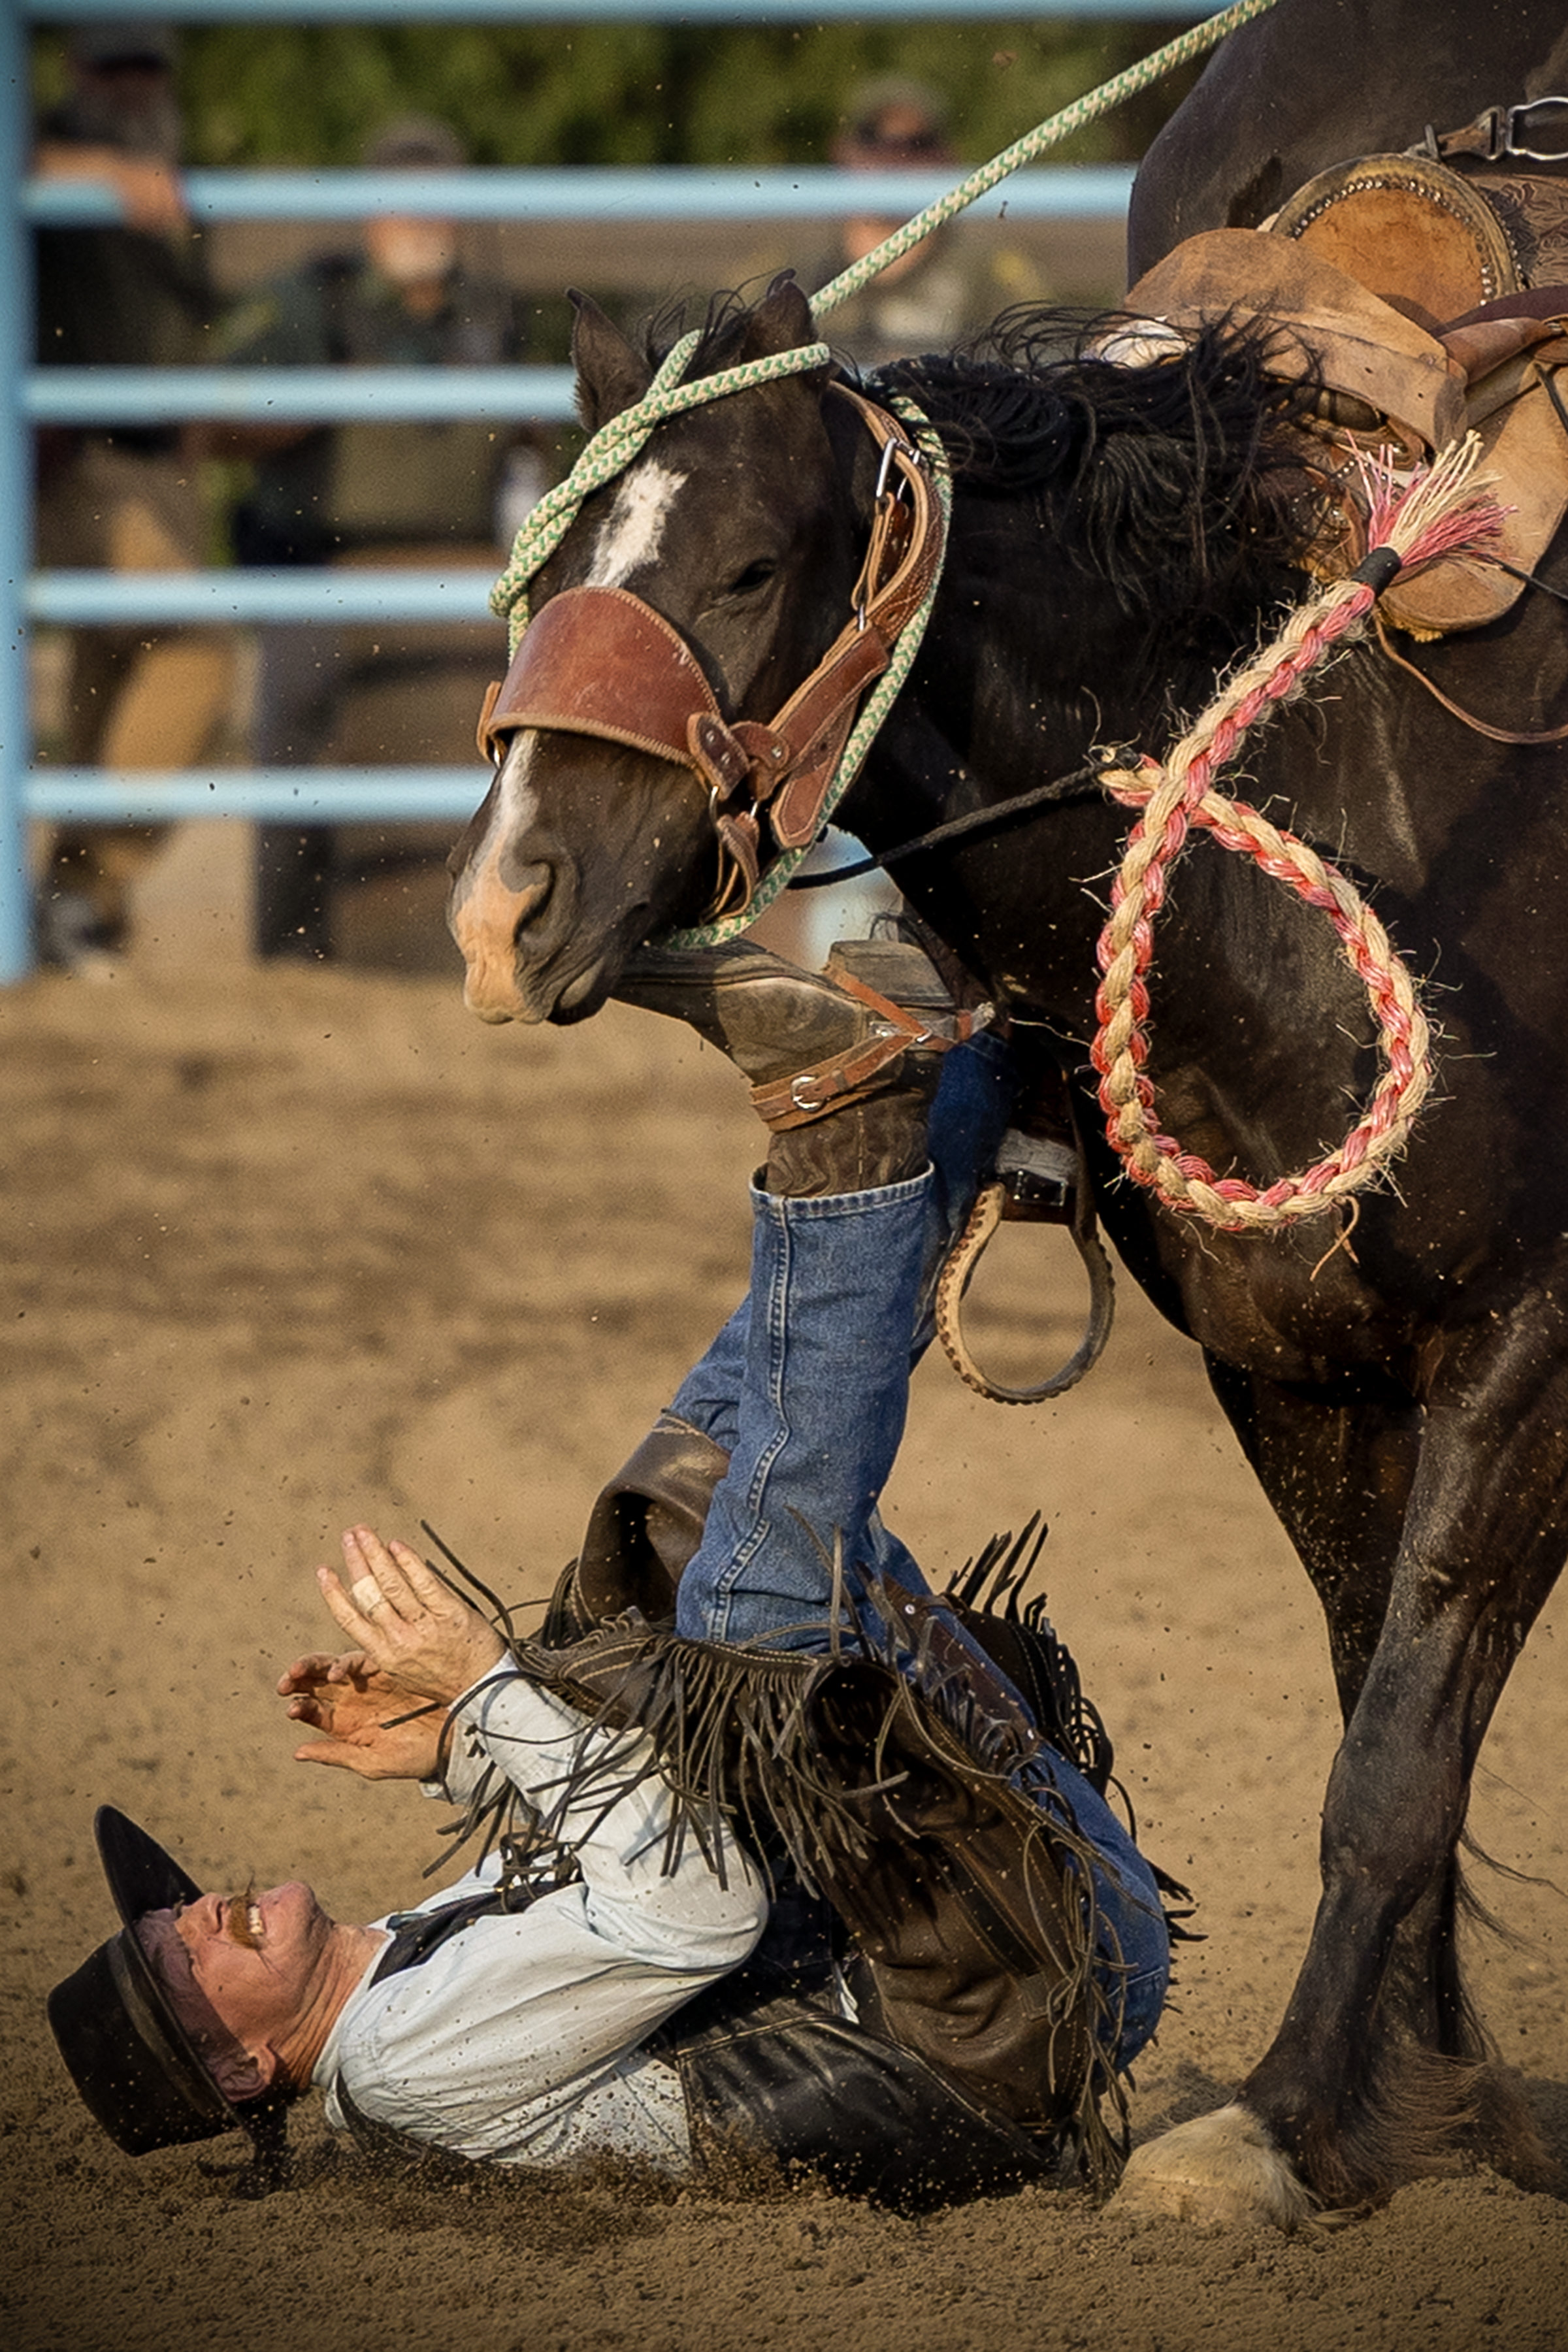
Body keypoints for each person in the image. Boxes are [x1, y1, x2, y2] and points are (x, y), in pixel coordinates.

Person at [48, 935, 1171, 2204]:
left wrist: (458, 1750)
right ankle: (864, 1110)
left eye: (175, 1914)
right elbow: (694, 1912)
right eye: (177, 1960)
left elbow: (621, 1858)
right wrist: (482, 1690)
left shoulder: (399, 1979)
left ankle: (964, 1059)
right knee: (748, 1611)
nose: (198, 1916)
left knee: (652, 1539)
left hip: (988, 1950)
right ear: (249, 2071)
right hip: (1009, 2002)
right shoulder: (404, 2065)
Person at [215, 116, 546, 961]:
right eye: (401, 200)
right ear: (368, 213)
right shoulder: (312, 302)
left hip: (464, 573)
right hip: (328, 564)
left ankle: (496, 941)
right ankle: (284, 954)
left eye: (438, 199)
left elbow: (538, 445)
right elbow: (213, 419)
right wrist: (305, 406)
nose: (421, 219)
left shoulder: (493, 311)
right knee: (290, 724)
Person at [31, 18, 233, 969]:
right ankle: (77, 890)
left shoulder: (172, 166)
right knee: (197, 656)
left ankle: (72, 910)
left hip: (155, 464)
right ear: (75, 70)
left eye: (147, 64)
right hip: (80, 460)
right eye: (112, 65)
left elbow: (176, 317)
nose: (133, 83)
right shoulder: (58, 151)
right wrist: (87, 174)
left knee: (108, 691)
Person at [805, 78, 1046, 372]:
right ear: (841, 149)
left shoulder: (988, 270)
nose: (895, 158)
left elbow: (1041, 365)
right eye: (875, 139)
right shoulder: (795, 264)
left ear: (947, 156)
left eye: (918, 144)